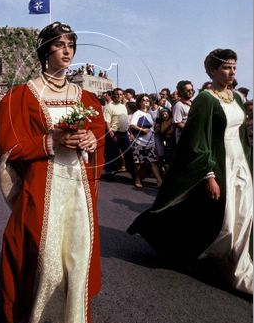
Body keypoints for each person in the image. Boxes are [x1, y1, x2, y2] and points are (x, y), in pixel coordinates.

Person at [0, 22, 105, 323]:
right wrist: (50, 140)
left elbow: (99, 127)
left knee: (75, 248)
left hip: (76, 185)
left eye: (71, 44)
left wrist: (91, 137)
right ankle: (30, 313)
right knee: (39, 247)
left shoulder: (83, 96)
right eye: (60, 45)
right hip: (42, 181)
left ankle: (68, 311)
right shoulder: (23, 95)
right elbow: (10, 145)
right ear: (46, 51)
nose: (67, 50)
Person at [128, 48, 253, 295]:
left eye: (234, 68)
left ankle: (237, 261)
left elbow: (242, 136)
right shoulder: (206, 100)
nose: (232, 72)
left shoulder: (237, 98)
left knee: (245, 215)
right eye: (226, 67)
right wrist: (209, 175)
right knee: (225, 221)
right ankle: (215, 258)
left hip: (240, 164)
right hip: (219, 164)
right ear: (212, 71)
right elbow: (197, 141)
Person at [129, 94, 163, 189]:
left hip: (150, 142)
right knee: (138, 163)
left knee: (153, 162)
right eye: (143, 100)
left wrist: (154, 130)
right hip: (140, 142)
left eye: (147, 100)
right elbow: (132, 125)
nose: (146, 101)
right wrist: (143, 130)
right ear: (139, 102)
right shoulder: (137, 113)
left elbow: (151, 127)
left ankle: (159, 181)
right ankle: (137, 179)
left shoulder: (149, 114)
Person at [103, 87, 135, 179]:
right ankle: (109, 173)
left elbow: (125, 121)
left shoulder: (123, 106)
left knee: (129, 154)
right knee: (112, 154)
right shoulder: (109, 107)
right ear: (113, 95)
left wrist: (131, 133)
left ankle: (133, 174)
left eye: (120, 94)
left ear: (123, 96)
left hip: (124, 133)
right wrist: (112, 135)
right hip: (114, 133)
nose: (118, 96)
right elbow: (107, 123)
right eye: (117, 94)